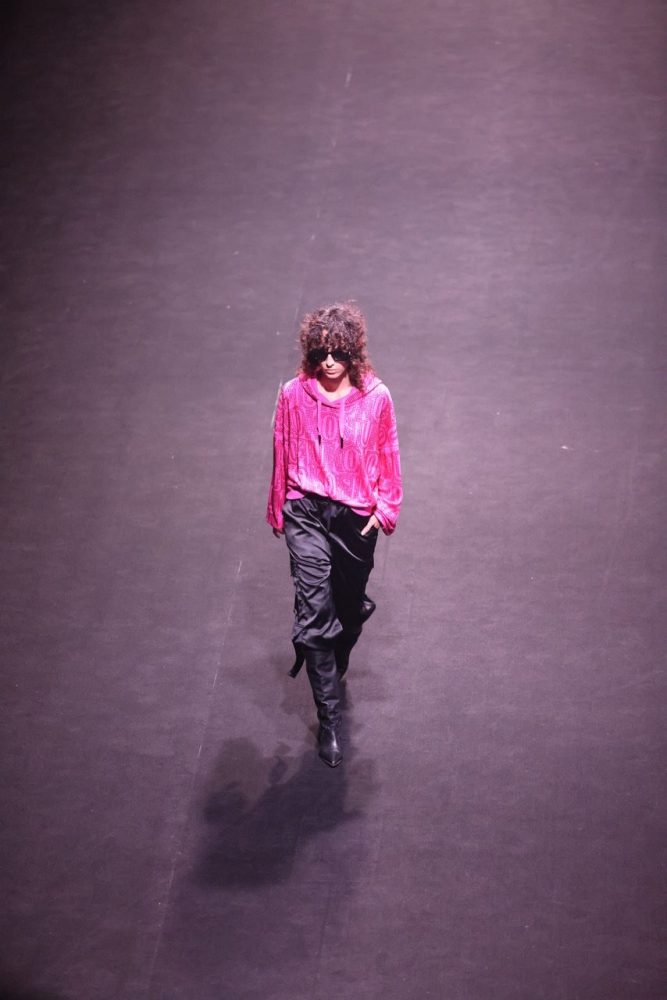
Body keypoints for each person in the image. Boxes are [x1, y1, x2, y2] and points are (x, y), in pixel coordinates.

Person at [267, 302, 402, 767]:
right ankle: (329, 718)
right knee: (314, 615)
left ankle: (351, 620)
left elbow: (388, 450)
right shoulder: (293, 395)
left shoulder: (375, 397)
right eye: (320, 352)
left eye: (338, 352)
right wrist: (279, 505)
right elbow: (281, 447)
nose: (328, 361)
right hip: (305, 507)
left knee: (345, 608)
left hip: (353, 516)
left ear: (353, 353)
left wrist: (385, 508)